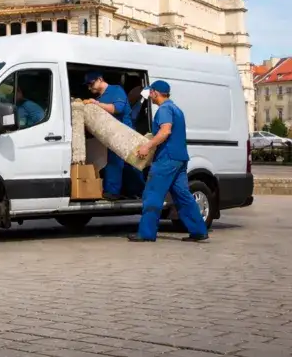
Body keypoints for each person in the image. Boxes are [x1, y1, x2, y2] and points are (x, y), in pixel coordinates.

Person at [129, 80, 208, 242]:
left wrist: (147, 146)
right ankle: (199, 230)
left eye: (150, 92)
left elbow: (165, 131)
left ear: (155, 93)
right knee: (183, 196)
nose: (149, 96)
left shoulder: (164, 110)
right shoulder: (176, 109)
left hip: (166, 159)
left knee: (152, 194)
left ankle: (146, 233)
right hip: (180, 158)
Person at [82, 71, 145, 200]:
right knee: (126, 165)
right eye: (87, 86)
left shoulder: (116, 90)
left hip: (123, 133)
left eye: (91, 84)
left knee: (119, 163)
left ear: (100, 79)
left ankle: (113, 192)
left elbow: (118, 108)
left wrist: (96, 104)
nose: (89, 88)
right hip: (110, 135)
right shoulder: (99, 98)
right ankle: (134, 191)